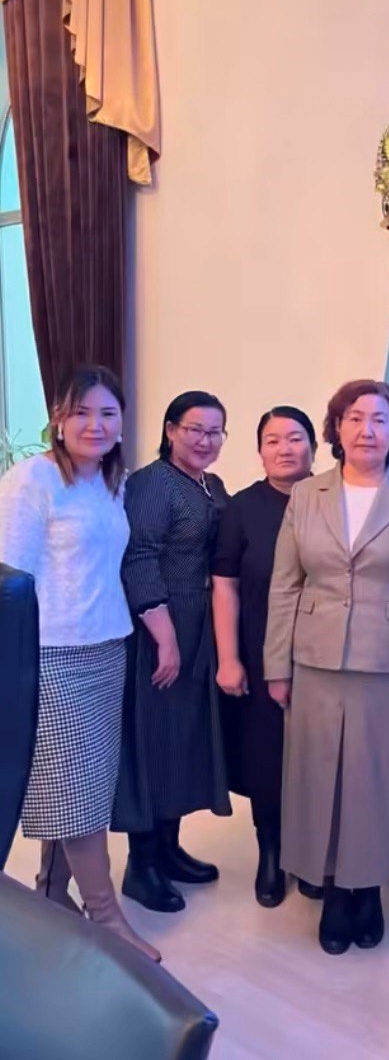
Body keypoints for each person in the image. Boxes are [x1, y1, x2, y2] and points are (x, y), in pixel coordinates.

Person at [263, 379, 389, 954]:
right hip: (314, 660)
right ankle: (334, 895)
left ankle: (367, 891)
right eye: (354, 418)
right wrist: (276, 665)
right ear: (336, 430)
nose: (367, 430)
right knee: (321, 781)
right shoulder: (306, 495)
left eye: (379, 420)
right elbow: (284, 585)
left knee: (375, 783)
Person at [0, 364, 158, 960]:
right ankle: (107, 917)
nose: (96, 425)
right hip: (52, 653)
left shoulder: (112, 483)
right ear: (59, 420)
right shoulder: (32, 479)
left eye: (108, 413)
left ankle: (49, 893)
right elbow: (9, 581)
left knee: (80, 785)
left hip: (107, 647)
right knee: (76, 791)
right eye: (82, 412)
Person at [112, 391, 231, 913]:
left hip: (199, 624)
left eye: (214, 432)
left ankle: (168, 848)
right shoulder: (151, 484)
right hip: (159, 625)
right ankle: (141, 866)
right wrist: (164, 638)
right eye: (194, 429)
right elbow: (138, 559)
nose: (205, 440)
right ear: (170, 431)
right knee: (153, 739)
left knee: (182, 740)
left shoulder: (211, 484)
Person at [212, 405, 322, 907]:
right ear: (259, 452)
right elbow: (225, 585)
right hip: (260, 654)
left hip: (326, 657)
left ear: (314, 447)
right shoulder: (242, 508)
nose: (285, 449)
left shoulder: (335, 498)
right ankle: (272, 852)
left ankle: (315, 856)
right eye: (273, 440)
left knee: (320, 759)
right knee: (267, 760)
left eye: (295, 438)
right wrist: (229, 658)